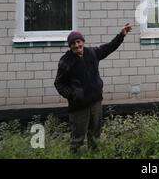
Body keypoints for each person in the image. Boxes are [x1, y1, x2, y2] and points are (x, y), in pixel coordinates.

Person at [54, 23, 132, 152]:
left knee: (95, 133)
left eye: (78, 42)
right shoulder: (65, 61)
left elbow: (109, 47)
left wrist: (121, 35)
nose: (76, 45)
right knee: (78, 137)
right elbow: (59, 83)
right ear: (70, 46)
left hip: (95, 101)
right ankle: (74, 154)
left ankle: (94, 153)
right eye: (73, 43)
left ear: (83, 42)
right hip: (79, 105)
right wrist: (73, 95)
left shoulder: (92, 53)